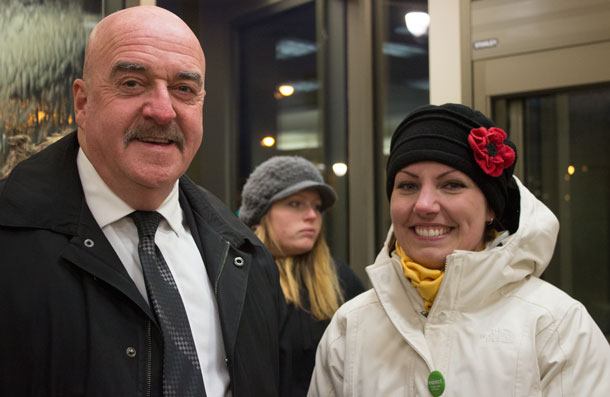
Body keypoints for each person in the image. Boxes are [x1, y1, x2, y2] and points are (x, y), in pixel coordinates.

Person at [0, 6, 287, 397]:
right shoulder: (12, 244)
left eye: (184, 89)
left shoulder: (245, 257)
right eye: (133, 83)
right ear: (82, 103)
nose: (163, 110)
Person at [309, 103, 610, 396]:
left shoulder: (554, 325)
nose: (424, 204)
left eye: (452, 185)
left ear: (491, 207)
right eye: (408, 186)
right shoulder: (352, 326)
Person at [239, 156, 365, 397]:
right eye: (295, 203)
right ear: (261, 213)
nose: (312, 215)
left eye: (317, 207)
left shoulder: (340, 280)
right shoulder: (238, 278)